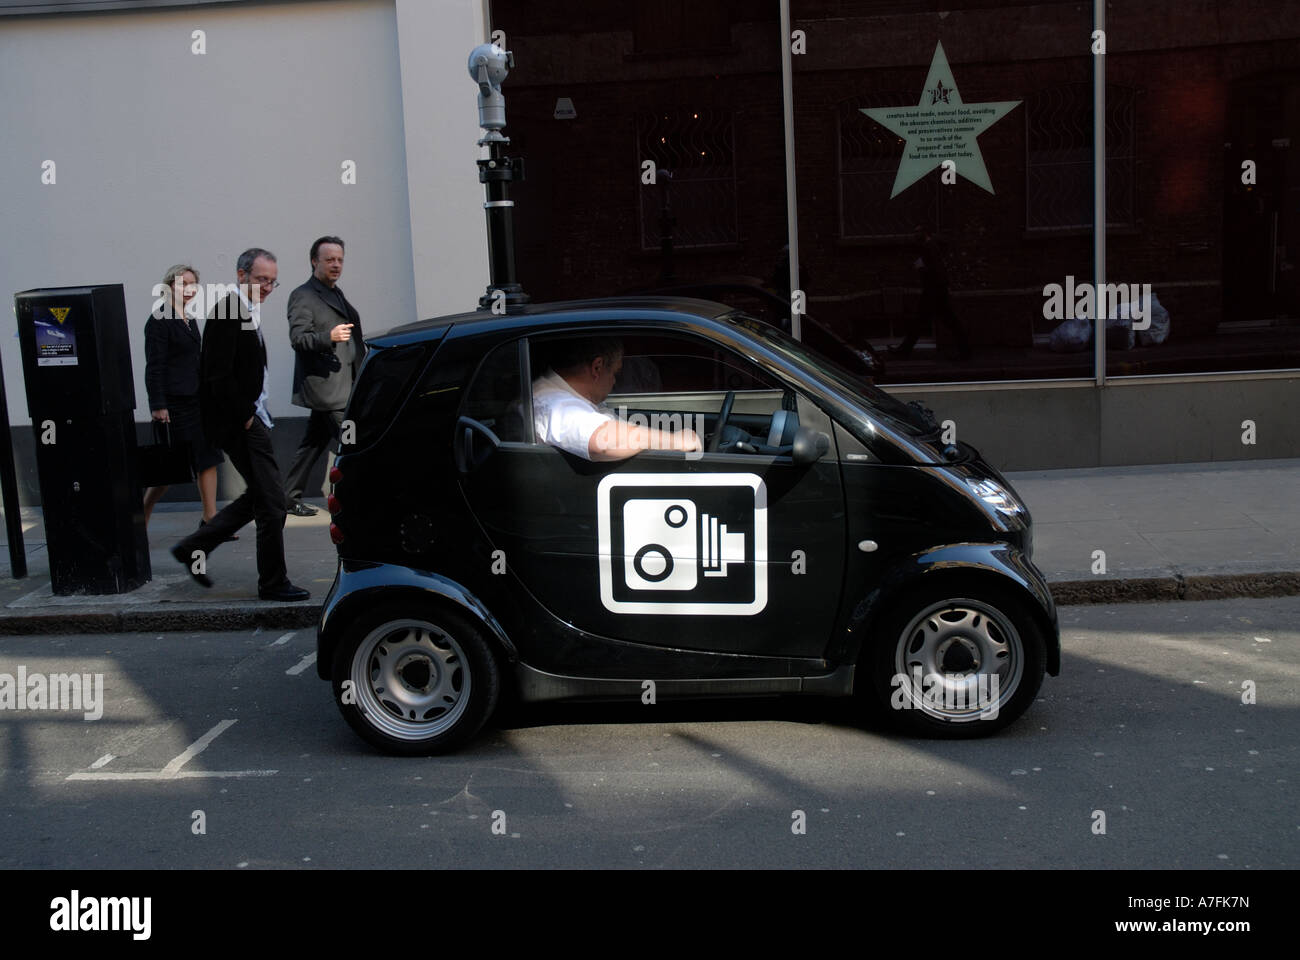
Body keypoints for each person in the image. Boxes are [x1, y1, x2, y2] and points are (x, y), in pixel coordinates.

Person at [170, 247, 309, 602]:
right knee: (273, 502)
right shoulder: (229, 311)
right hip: (240, 422)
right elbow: (216, 374)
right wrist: (246, 414)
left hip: (249, 417)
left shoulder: (244, 310)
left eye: (272, 282)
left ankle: (193, 547)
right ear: (241, 274)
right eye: (261, 279)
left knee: (261, 496)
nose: (266, 287)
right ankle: (273, 583)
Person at [142, 264, 230, 537]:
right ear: (169, 287)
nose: (189, 289)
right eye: (183, 284)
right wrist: (158, 405)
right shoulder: (159, 320)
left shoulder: (189, 319)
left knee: (208, 457)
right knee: (169, 471)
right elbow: (154, 366)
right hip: (173, 404)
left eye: (193, 284)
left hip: (196, 400)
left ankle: (211, 520)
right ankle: (138, 518)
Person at [282, 236, 366, 517]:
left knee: (312, 444)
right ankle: (362, 498)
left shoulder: (335, 292)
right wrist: (327, 337)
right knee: (354, 443)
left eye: (340, 259)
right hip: (328, 389)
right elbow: (298, 338)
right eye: (329, 259)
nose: (336, 264)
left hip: (343, 383)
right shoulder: (303, 295)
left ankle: (288, 496)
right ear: (314, 261)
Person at [533, 338, 701, 460]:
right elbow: (603, 440)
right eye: (615, 373)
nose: (614, 381)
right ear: (597, 368)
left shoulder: (565, 396)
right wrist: (675, 441)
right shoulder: (551, 402)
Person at [890, 226, 972, 360]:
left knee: (941, 322)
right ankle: (904, 350)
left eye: (917, 232)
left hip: (933, 292)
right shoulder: (930, 246)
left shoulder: (929, 247)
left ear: (925, 233)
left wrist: (921, 268)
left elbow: (935, 271)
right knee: (927, 321)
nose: (915, 234)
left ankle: (904, 351)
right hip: (935, 292)